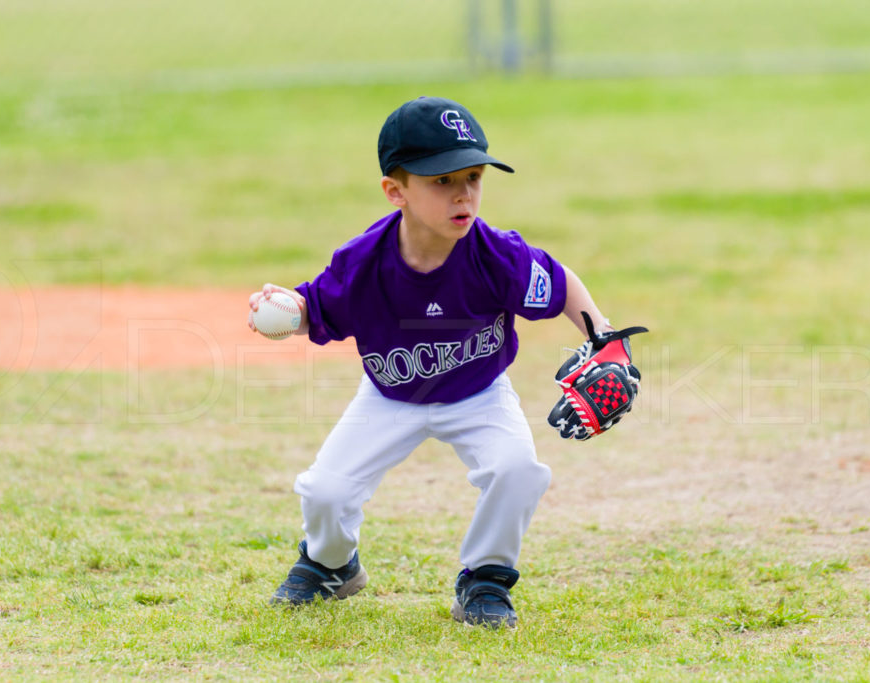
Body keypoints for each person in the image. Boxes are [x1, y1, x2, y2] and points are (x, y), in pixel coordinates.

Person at [248, 96, 613, 628]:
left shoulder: (496, 255)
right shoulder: (363, 262)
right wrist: (286, 312)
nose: (463, 192)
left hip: (479, 392)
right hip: (389, 398)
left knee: (517, 471)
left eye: (473, 175)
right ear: (396, 191)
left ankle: (485, 578)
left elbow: (560, 286)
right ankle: (331, 564)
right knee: (325, 491)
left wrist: (603, 337)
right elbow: (318, 311)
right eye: (441, 180)